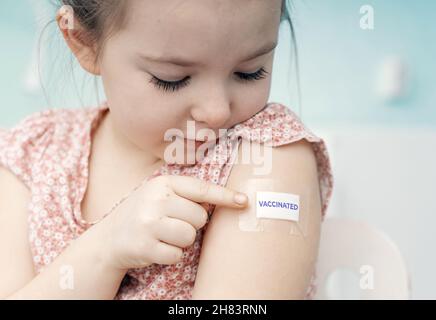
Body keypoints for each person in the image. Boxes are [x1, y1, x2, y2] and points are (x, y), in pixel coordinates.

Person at [0, 0, 334, 299]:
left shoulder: (269, 156)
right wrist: (103, 250)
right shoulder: (31, 154)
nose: (216, 110)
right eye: (172, 79)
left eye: (249, 72)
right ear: (83, 42)